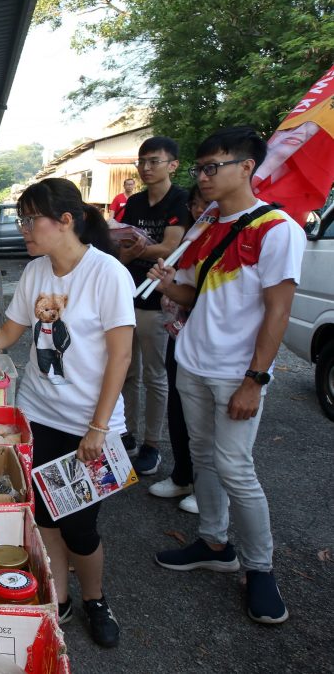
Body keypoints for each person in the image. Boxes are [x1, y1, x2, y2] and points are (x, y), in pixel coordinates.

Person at [0, 178, 134, 647]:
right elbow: (9, 333)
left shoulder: (106, 274)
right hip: (37, 414)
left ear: (65, 221)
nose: (23, 228)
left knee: (81, 525)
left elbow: (121, 357)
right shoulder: (36, 271)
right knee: (44, 514)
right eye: (23, 219)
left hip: (91, 424)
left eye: (30, 219)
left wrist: (98, 427)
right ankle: (59, 596)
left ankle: (95, 598)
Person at [148, 126, 305, 625]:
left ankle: (260, 567)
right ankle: (215, 543)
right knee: (200, 457)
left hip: (237, 373)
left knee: (237, 468)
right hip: (193, 361)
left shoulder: (277, 229)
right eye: (201, 168)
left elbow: (277, 311)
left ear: (247, 167)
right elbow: (197, 298)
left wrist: (255, 379)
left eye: (214, 166)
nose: (204, 177)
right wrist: (170, 286)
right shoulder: (207, 226)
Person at [116, 137, 191, 476]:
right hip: (126, 296)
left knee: (155, 375)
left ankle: (152, 443)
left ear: (172, 164)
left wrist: (136, 251)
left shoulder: (181, 199)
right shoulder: (133, 202)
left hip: (157, 301)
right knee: (127, 370)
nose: (146, 168)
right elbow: (122, 243)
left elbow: (170, 247)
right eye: (141, 161)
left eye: (154, 161)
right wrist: (134, 251)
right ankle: (128, 434)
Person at [148, 184, 208, 514]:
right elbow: (184, 291)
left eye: (205, 204)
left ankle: (207, 490)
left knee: (207, 427)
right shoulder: (194, 238)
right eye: (196, 205)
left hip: (212, 347)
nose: (200, 210)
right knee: (179, 407)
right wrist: (169, 285)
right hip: (180, 333)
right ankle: (183, 474)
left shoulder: (240, 235)